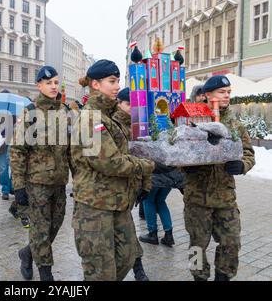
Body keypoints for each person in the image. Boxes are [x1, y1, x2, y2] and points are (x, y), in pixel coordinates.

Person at [70, 60, 165, 281]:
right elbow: (110, 162)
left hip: (118, 203)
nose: (116, 86)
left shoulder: (107, 116)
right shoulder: (90, 119)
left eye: (117, 81)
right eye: (111, 81)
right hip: (94, 207)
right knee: (101, 270)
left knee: (127, 256)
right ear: (95, 84)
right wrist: (151, 165)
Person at [182, 75, 255, 281]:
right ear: (207, 95)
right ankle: (198, 276)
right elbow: (178, 151)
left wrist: (242, 165)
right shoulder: (193, 120)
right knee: (197, 246)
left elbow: (248, 153)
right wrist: (187, 167)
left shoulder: (235, 124)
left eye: (229, 92)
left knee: (231, 243)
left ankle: (223, 276)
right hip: (197, 198)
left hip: (225, 198)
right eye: (222, 92)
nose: (227, 96)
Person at [11, 66, 70, 281]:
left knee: (56, 224)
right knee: (40, 228)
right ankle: (46, 274)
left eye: (55, 82)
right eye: (48, 83)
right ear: (39, 86)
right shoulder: (31, 112)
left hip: (59, 182)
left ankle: (27, 252)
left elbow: (71, 148)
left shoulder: (64, 111)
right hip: (37, 183)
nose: (53, 86)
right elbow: (17, 150)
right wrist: (18, 186)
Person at [111, 87, 149, 281]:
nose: (132, 108)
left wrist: (146, 184)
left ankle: (138, 267)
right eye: (128, 104)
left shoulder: (139, 126)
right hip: (115, 191)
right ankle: (137, 269)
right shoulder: (113, 125)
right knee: (126, 234)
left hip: (132, 188)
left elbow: (145, 155)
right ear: (119, 103)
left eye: (135, 104)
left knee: (129, 232)